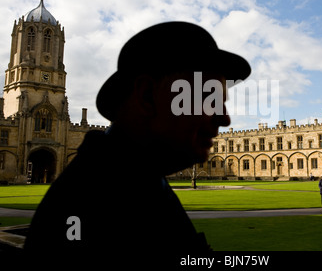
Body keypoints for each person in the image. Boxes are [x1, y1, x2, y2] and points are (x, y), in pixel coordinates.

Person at [23, 22, 251, 263]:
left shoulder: (138, 181)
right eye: (208, 98)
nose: (224, 118)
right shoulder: (98, 198)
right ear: (147, 96)